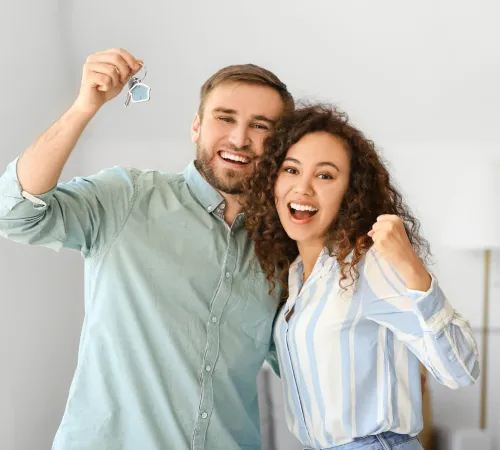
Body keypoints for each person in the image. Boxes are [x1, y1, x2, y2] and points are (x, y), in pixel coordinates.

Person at [0, 48, 294, 450]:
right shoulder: (128, 197)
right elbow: (14, 213)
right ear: (196, 126)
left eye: (261, 127)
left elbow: (303, 366)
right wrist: (85, 107)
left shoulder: (285, 250)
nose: (240, 139)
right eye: (225, 118)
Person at [244, 104, 479, 450]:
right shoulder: (296, 276)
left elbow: (461, 370)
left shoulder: (368, 264)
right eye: (291, 170)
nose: (303, 188)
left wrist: (411, 265)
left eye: (325, 175)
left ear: (350, 193)